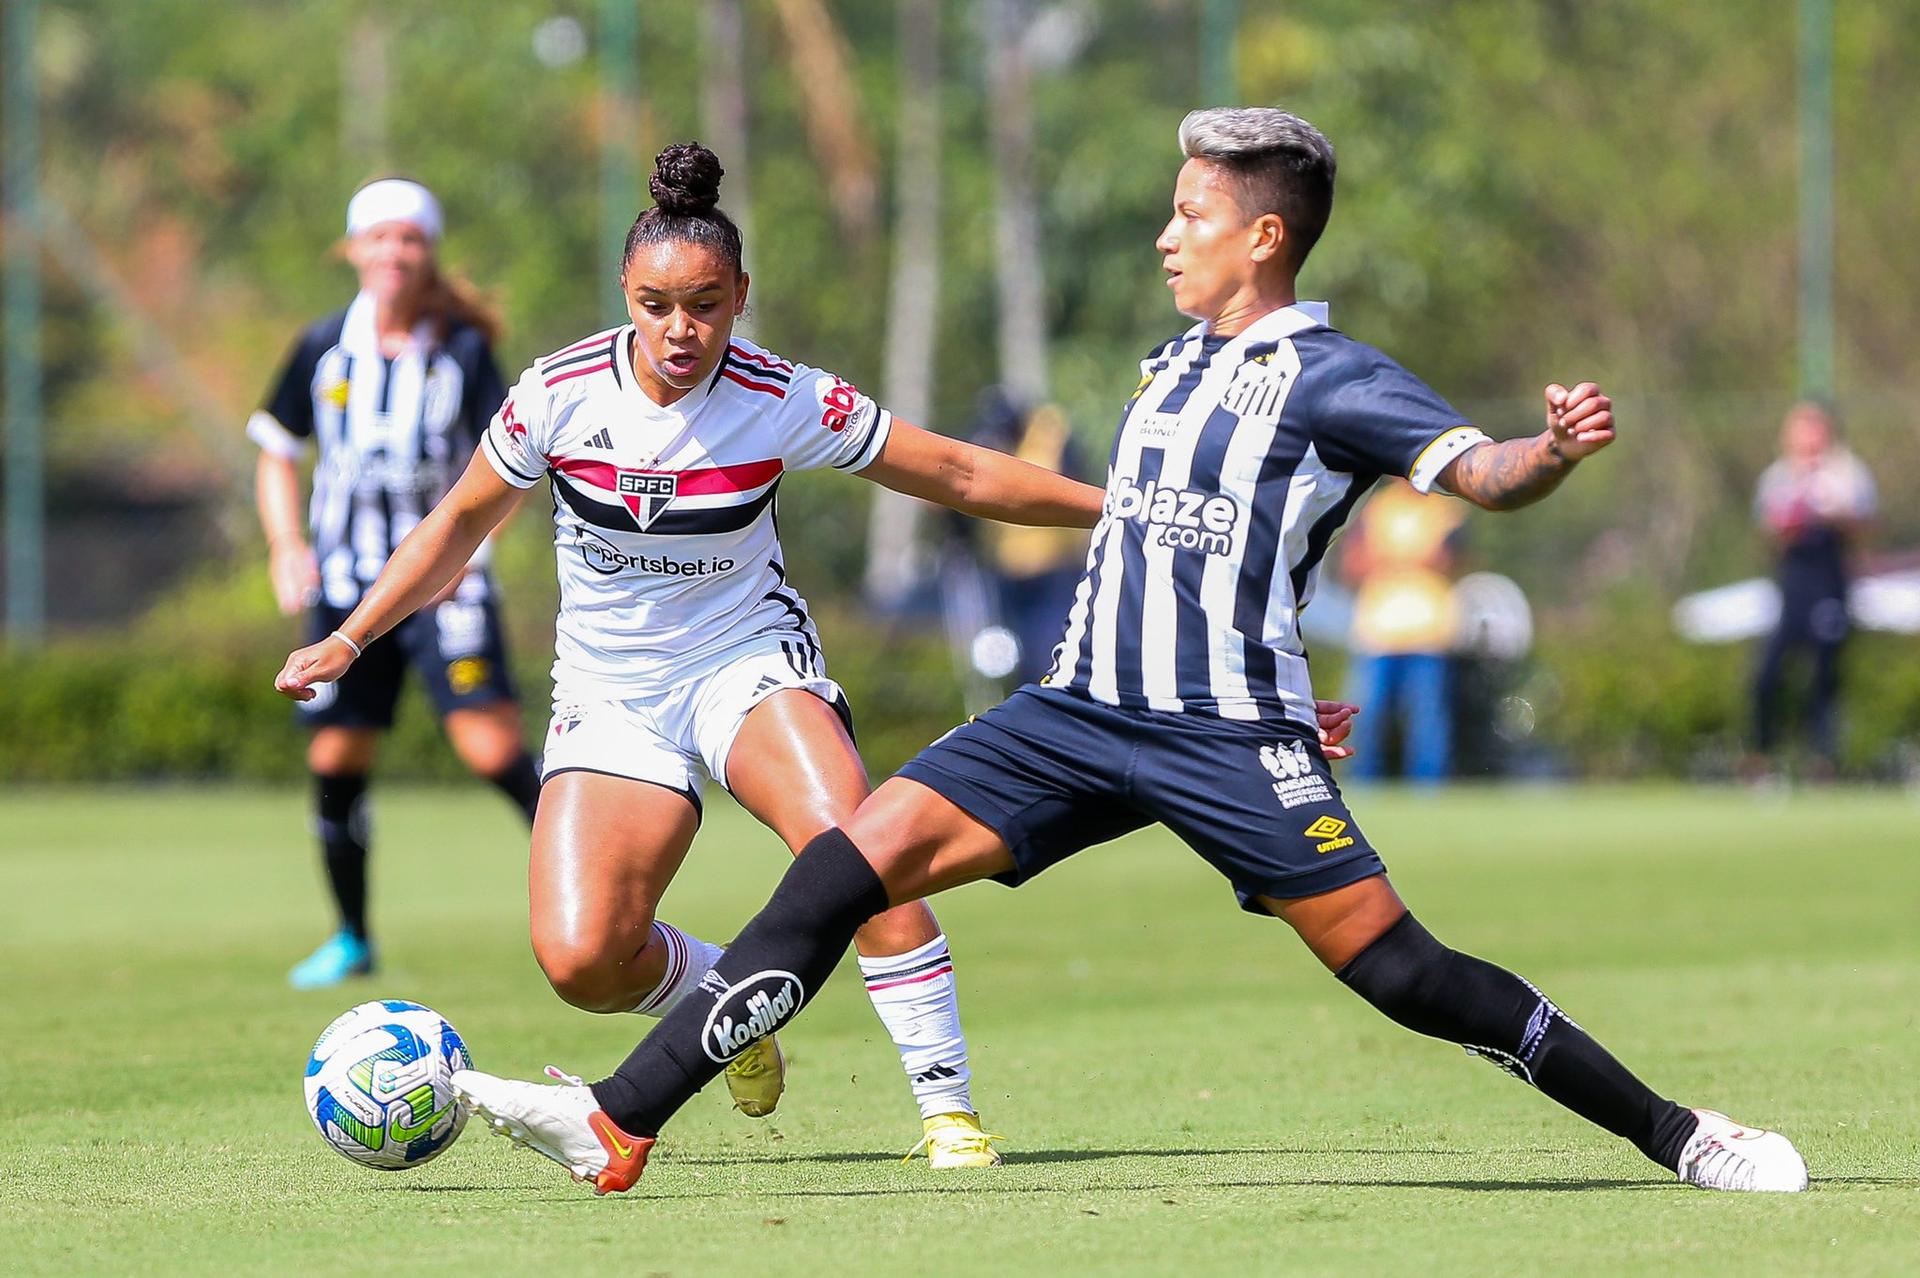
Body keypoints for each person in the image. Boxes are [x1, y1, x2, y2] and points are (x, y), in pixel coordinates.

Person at [446, 109, 1810, 1197]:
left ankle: (1681, 1132)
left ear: (1264, 236)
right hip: (1079, 710)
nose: (1168, 235)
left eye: (1192, 214)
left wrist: (1550, 451)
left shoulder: (1334, 376)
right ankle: (614, 1124)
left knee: (1406, 974)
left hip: (1223, 739)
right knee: (838, 873)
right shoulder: (1172, 362)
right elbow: (1174, 549)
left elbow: (1481, 475)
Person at [279, 143, 1154, 1165]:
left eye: (703, 303)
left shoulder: (784, 395)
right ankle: (732, 997)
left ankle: (947, 1110)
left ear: (741, 294)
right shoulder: (558, 394)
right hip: (609, 691)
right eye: (656, 305)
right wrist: (347, 636)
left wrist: (1123, 511)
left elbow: (958, 470)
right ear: (626, 292)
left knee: (857, 850)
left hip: (748, 663)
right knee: (582, 960)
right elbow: (457, 524)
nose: (680, 330)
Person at [252, 178, 542, 989]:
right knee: (337, 756)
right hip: (345, 586)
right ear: (352, 249)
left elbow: (514, 468)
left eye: (408, 238)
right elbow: (277, 449)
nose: (393, 251)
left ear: (429, 252)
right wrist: (285, 544)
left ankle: (594, 901)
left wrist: (466, 556)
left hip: (449, 591)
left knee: (490, 749)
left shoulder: (465, 353)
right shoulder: (321, 348)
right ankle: (351, 938)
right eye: (377, 237)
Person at [1751, 400, 1875, 774]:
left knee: (1824, 670)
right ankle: (1761, 755)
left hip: (1829, 577)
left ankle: (1823, 760)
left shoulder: (1847, 473)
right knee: (1768, 672)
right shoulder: (1778, 476)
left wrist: (1830, 514)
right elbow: (1768, 529)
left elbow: (1865, 525)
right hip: (1792, 579)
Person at [1339, 479, 1466, 783]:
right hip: (1378, 631)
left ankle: (1428, 791)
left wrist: (1391, 557)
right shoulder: (1375, 508)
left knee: (1427, 722)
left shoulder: (1448, 510)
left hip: (1429, 631)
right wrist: (1413, 557)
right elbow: (1354, 563)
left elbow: (1450, 560)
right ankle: (1362, 788)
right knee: (1367, 717)